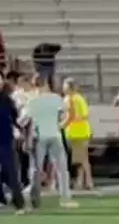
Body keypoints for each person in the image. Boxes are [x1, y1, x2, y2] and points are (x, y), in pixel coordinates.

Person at [23, 75, 72, 208]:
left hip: (39, 136)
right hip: (54, 134)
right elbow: (67, 114)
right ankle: (65, 197)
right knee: (62, 167)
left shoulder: (32, 101)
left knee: (36, 168)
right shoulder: (56, 98)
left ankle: (35, 198)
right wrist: (60, 125)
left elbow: (24, 120)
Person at [62, 79, 93, 191]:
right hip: (72, 133)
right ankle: (80, 181)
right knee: (79, 158)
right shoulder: (67, 99)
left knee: (83, 158)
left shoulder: (78, 99)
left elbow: (84, 115)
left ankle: (88, 180)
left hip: (80, 132)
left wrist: (69, 120)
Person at [0, 72, 23, 209]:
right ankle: (1, 199)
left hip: (6, 139)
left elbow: (15, 117)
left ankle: (18, 202)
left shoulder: (7, 99)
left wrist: (18, 130)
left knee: (11, 171)